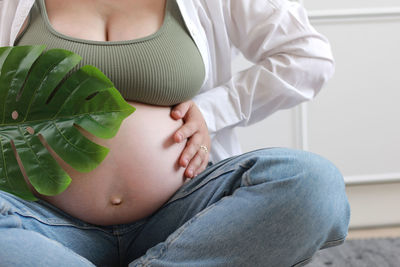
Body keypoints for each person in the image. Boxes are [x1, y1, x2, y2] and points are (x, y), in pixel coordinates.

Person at [0, 0, 350, 266]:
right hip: (47, 223)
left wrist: (213, 111)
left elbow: (308, 56)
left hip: (188, 219)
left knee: (313, 184)